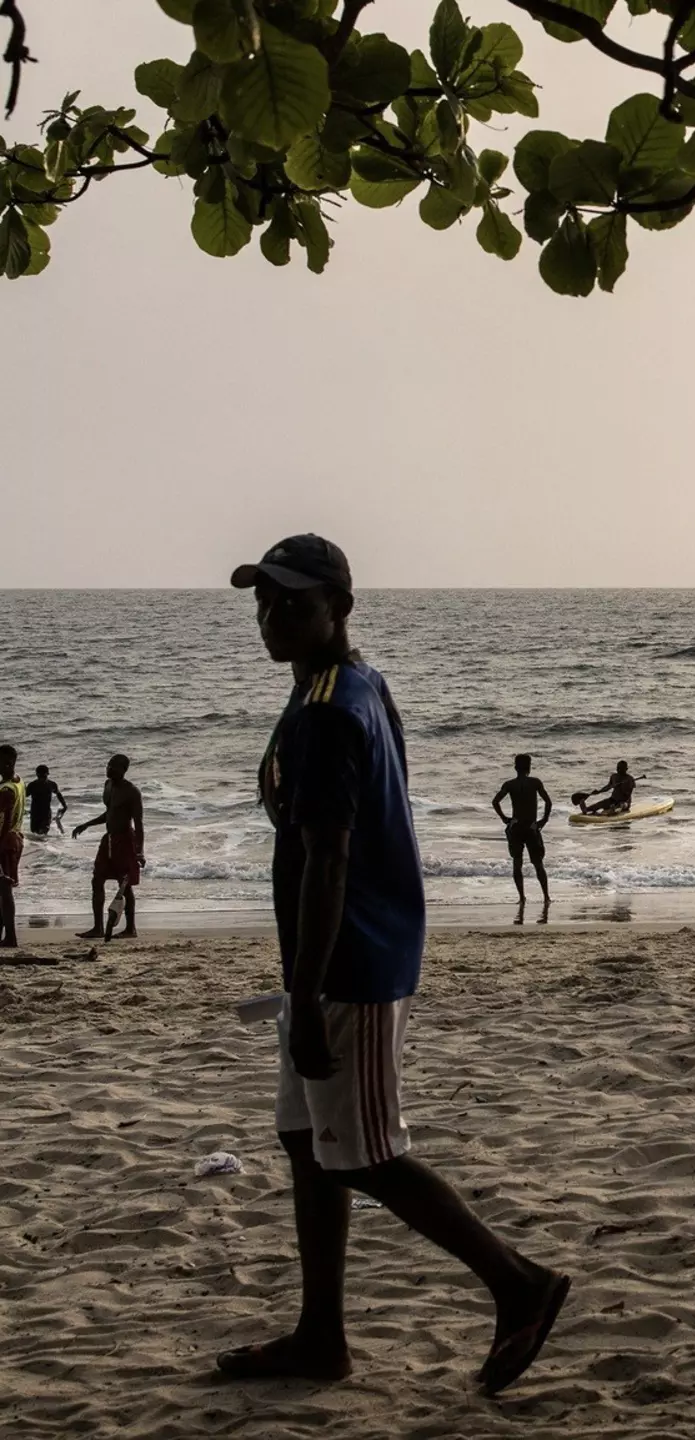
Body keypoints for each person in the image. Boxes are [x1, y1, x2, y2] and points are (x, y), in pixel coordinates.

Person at [218, 534, 568, 1394]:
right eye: (264, 600)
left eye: (294, 602)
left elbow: (330, 859)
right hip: (335, 954)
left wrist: (304, 995)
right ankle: (320, 1337)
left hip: (351, 963)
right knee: (306, 1142)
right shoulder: (347, 684)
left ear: (340, 607)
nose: (273, 616)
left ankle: (520, 1285)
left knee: (368, 1153)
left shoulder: (330, 712)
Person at [72, 753, 143, 941]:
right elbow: (109, 813)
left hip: (125, 841)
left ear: (123, 770)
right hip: (109, 839)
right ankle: (98, 927)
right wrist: (86, 824)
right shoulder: (108, 785)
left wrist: (139, 851)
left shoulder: (132, 792)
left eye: (113, 766)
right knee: (97, 880)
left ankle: (131, 928)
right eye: (108, 765)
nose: (108, 768)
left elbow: (139, 823)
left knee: (125, 885)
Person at [491, 753, 552, 911]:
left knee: (517, 864)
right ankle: (546, 896)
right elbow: (548, 802)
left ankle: (522, 897)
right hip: (531, 827)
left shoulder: (510, 784)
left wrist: (505, 819)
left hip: (516, 827)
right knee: (538, 864)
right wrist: (543, 821)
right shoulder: (535, 783)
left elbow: (495, 801)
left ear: (515, 767)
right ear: (529, 767)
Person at [0, 746, 22, 949]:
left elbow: (5, 820)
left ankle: (11, 937)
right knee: (3, 889)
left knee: (5, 890)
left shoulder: (6, 789)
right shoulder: (18, 781)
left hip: (5, 842)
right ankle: (6, 936)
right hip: (15, 838)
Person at [25, 764, 67, 836]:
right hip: (35, 813)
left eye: (44, 776)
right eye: (40, 776)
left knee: (42, 834)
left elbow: (58, 794)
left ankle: (46, 846)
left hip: (46, 814)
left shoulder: (51, 784)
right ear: (36, 775)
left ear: (47, 774)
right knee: (35, 834)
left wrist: (65, 806)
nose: (42, 779)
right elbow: (23, 797)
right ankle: (39, 847)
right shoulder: (32, 785)